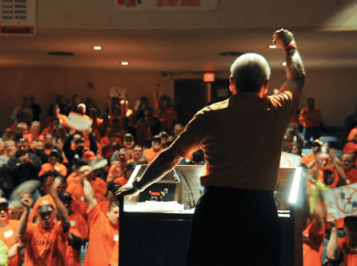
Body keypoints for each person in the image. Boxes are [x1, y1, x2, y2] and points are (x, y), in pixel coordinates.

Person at [117, 29, 305, 266]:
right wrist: (289, 45)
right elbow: (297, 77)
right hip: (259, 213)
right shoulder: (278, 109)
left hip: (217, 213)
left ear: (231, 83)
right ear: (266, 85)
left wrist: (137, 185)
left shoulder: (209, 115)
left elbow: (171, 156)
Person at [17, 185, 70, 266]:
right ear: (38, 216)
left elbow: (66, 220)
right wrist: (26, 210)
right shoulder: (32, 228)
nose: (46, 217)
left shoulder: (57, 229)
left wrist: (55, 197)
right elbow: (20, 234)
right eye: (43, 214)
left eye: (48, 213)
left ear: (53, 214)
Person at [83, 179, 119, 266]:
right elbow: (90, 198)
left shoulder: (122, 233)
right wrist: (84, 179)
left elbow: (115, 262)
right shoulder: (99, 220)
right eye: (115, 212)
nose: (118, 216)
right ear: (108, 213)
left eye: (120, 214)